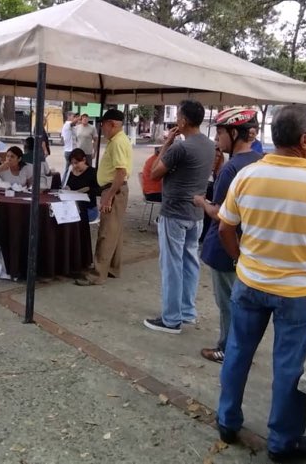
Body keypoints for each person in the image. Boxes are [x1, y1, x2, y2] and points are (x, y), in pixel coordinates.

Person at [216, 104, 306, 462]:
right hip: (296, 293)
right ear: (305, 140)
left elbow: (225, 228)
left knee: (237, 352)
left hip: (249, 284)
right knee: (289, 368)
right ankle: (282, 441)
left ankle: (227, 421)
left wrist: (240, 259)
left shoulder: (247, 176)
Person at [193, 108, 262, 362]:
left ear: (235, 133)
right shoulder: (260, 162)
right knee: (242, 300)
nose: (218, 139)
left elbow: (221, 213)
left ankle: (227, 348)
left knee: (228, 303)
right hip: (249, 244)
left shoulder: (231, 169)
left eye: (221, 132)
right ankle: (241, 345)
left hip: (225, 246)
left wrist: (202, 202)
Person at [142, 100, 216, 333]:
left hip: (174, 212)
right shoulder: (209, 145)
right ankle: (187, 311)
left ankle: (171, 318)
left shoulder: (180, 147)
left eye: (178, 118)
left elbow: (154, 173)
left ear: (183, 121)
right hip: (195, 213)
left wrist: (167, 143)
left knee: (172, 264)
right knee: (190, 262)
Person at [75, 109, 132, 286]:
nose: (102, 129)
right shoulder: (118, 140)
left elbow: (121, 172)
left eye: (103, 125)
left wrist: (108, 196)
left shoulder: (117, 142)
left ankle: (98, 273)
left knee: (106, 232)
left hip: (113, 189)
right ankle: (112, 268)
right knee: (115, 230)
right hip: (114, 189)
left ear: (112, 124)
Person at [62, 148, 100, 222]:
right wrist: (67, 188)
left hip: (88, 209)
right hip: (72, 207)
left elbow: (99, 190)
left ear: (84, 160)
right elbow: (67, 186)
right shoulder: (71, 172)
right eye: (72, 163)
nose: (74, 166)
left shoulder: (93, 172)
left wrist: (88, 190)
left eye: (76, 163)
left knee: (71, 218)